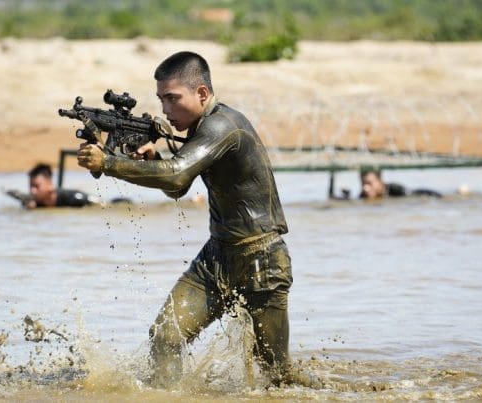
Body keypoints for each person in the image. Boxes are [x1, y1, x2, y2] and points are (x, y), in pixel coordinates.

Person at [77, 51, 315, 388]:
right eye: (161, 100)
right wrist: (152, 159)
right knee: (165, 336)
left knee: (277, 376)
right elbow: (178, 186)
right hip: (216, 258)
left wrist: (109, 164)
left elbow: (175, 178)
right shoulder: (202, 127)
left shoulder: (222, 126)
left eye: (172, 99)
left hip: (261, 260)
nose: (165, 110)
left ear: (201, 93)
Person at [6, 163, 98, 208]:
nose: (32, 191)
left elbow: (100, 205)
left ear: (50, 185)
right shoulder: (31, 201)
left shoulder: (74, 198)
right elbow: (12, 193)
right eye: (31, 186)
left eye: (37, 186)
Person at [359, 168, 441, 200]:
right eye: (363, 184)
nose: (365, 188)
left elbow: (416, 194)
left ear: (380, 181)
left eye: (370, 183)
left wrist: (440, 197)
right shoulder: (363, 195)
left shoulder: (395, 189)